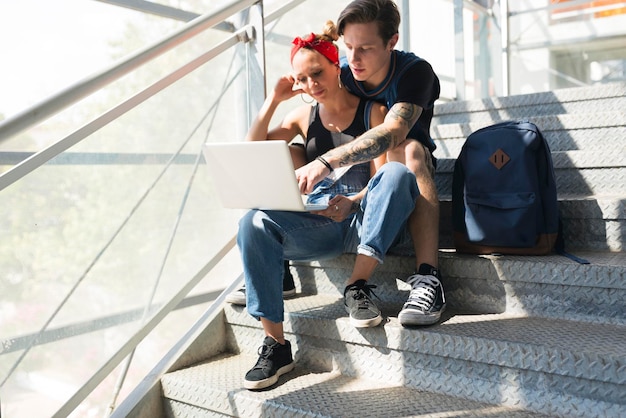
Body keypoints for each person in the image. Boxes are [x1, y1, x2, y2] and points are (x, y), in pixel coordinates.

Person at [237, 22, 419, 390]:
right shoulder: (303, 117)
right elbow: (249, 152)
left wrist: (350, 203)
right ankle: (275, 344)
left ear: (338, 66)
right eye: (302, 79)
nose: (311, 85)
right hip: (320, 223)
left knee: (399, 175)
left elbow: (382, 181)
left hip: (365, 218)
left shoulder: (374, 112)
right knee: (252, 222)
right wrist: (273, 100)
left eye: (317, 73)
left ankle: (358, 284)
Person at [295, 0, 445, 327]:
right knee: (290, 148)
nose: (354, 59)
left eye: (365, 48)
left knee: (409, 150)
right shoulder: (344, 74)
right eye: (348, 47)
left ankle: (429, 279)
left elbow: (392, 132)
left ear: (392, 42)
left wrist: (326, 161)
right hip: (355, 188)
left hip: (405, 177)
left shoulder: (415, 72)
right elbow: (311, 108)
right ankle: (274, 259)